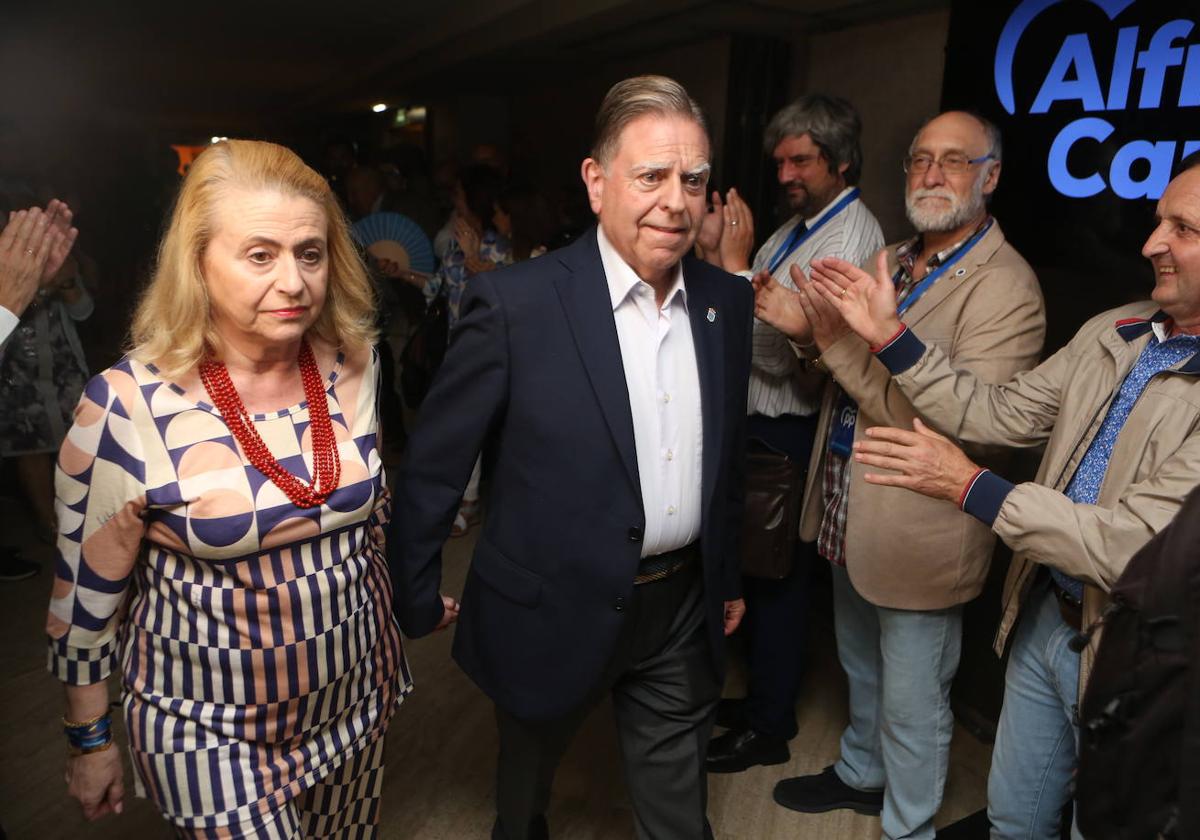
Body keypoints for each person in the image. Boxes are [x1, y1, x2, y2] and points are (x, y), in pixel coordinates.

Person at [762, 151, 1200, 840]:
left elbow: (1131, 549)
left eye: (1184, 229)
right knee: (1015, 820)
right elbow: (997, 413)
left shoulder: (1009, 285)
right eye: (1156, 222)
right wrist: (889, 337)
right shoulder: (1117, 329)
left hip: (1140, 653)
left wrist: (970, 486)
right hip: (1045, 616)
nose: (1151, 244)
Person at [391, 75, 752, 840]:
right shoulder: (516, 303)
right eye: (651, 176)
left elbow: (723, 452)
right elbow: (436, 460)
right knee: (523, 798)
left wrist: (724, 571)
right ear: (596, 182)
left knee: (679, 814)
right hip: (547, 604)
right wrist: (413, 589)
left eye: (694, 180)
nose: (677, 201)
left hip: (682, 604)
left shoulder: (727, 301)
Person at [48, 139, 409, 838]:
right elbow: (83, 597)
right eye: (259, 255)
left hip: (357, 701)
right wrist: (89, 741)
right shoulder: (125, 405)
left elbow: (368, 512)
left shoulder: (355, 363)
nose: (295, 281)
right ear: (196, 264)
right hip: (209, 733)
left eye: (310, 253)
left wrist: (407, 589)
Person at [755, 111, 1045, 839]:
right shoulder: (892, 256)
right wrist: (808, 335)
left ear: (992, 176)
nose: (932, 174)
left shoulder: (1006, 288)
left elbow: (960, 426)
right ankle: (862, 773)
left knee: (916, 699)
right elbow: (842, 380)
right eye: (919, 159)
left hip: (924, 526)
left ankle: (908, 824)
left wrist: (834, 342)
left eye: (954, 160)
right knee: (860, 661)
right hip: (850, 497)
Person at [696, 93, 885, 774]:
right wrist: (726, 258)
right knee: (752, 571)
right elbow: (745, 316)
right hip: (758, 421)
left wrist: (737, 266)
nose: (784, 175)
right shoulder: (799, 226)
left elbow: (784, 355)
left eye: (799, 160)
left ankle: (770, 726)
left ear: (839, 160)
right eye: (779, 161)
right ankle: (757, 702)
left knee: (776, 583)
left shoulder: (850, 237)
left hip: (790, 429)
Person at [0, 200, 77, 580]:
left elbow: (83, 309)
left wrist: (21, 289)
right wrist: (7, 299)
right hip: (21, 383)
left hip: (60, 375)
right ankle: (50, 528)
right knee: (30, 452)